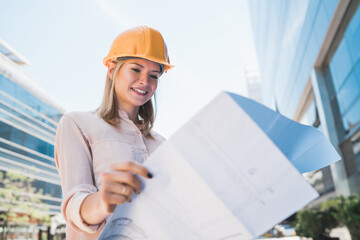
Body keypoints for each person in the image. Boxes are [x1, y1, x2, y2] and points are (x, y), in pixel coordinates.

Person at [55, 26, 174, 239]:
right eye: (136, 69)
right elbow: (74, 203)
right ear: (111, 69)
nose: (145, 81)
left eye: (154, 75)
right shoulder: (77, 124)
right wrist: (103, 201)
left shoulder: (161, 143)